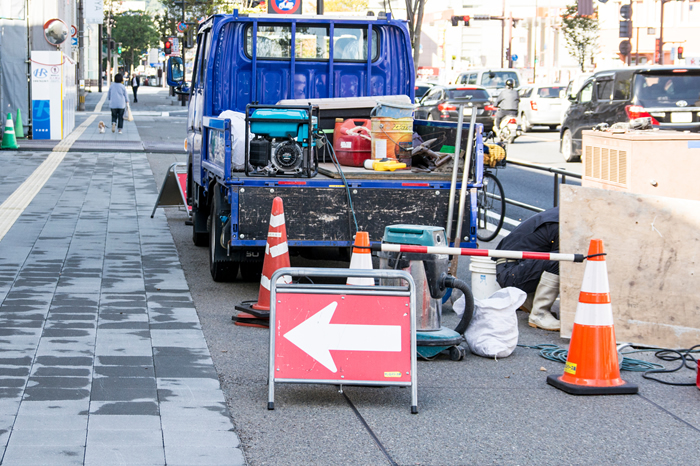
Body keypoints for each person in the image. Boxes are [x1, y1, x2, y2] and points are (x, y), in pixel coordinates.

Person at [494, 207, 560, 331]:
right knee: (562, 259)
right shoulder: (564, 225)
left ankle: (529, 301)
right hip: (510, 272)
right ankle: (539, 314)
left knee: (558, 257)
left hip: (513, 265)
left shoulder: (562, 215)